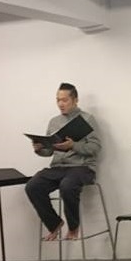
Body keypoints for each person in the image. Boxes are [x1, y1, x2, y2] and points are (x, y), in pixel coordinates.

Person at [26, 83, 101, 241]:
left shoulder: (87, 119)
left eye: (65, 100)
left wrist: (73, 145)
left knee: (66, 186)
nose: (60, 104)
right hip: (58, 168)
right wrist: (40, 148)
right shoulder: (54, 121)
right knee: (33, 186)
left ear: (75, 100)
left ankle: (73, 227)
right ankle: (54, 224)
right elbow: (49, 151)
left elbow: (95, 147)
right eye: (58, 100)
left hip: (82, 168)